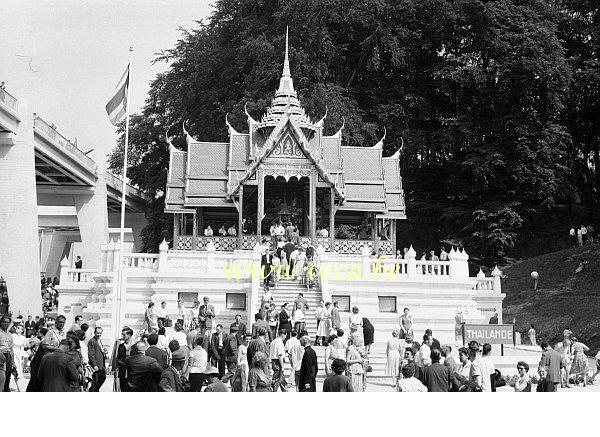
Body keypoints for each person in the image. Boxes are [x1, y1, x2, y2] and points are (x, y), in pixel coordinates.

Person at [87, 326, 107, 392]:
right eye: (97, 333)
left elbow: (100, 350)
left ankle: (95, 390)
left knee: (103, 377)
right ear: (94, 333)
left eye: (100, 333)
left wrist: (104, 352)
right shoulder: (92, 341)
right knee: (95, 381)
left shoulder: (99, 340)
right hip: (96, 366)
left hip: (101, 364)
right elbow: (91, 354)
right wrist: (94, 365)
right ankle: (94, 391)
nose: (99, 335)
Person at [0, 315, 15, 392]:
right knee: (1, 376)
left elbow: (11, 349)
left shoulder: (10, 334)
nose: (6, 324)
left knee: (8, 376)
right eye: (4, 322)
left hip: (8, 355)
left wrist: (13, 363)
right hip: (1, 355)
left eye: (8, 322)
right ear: (1, 322)